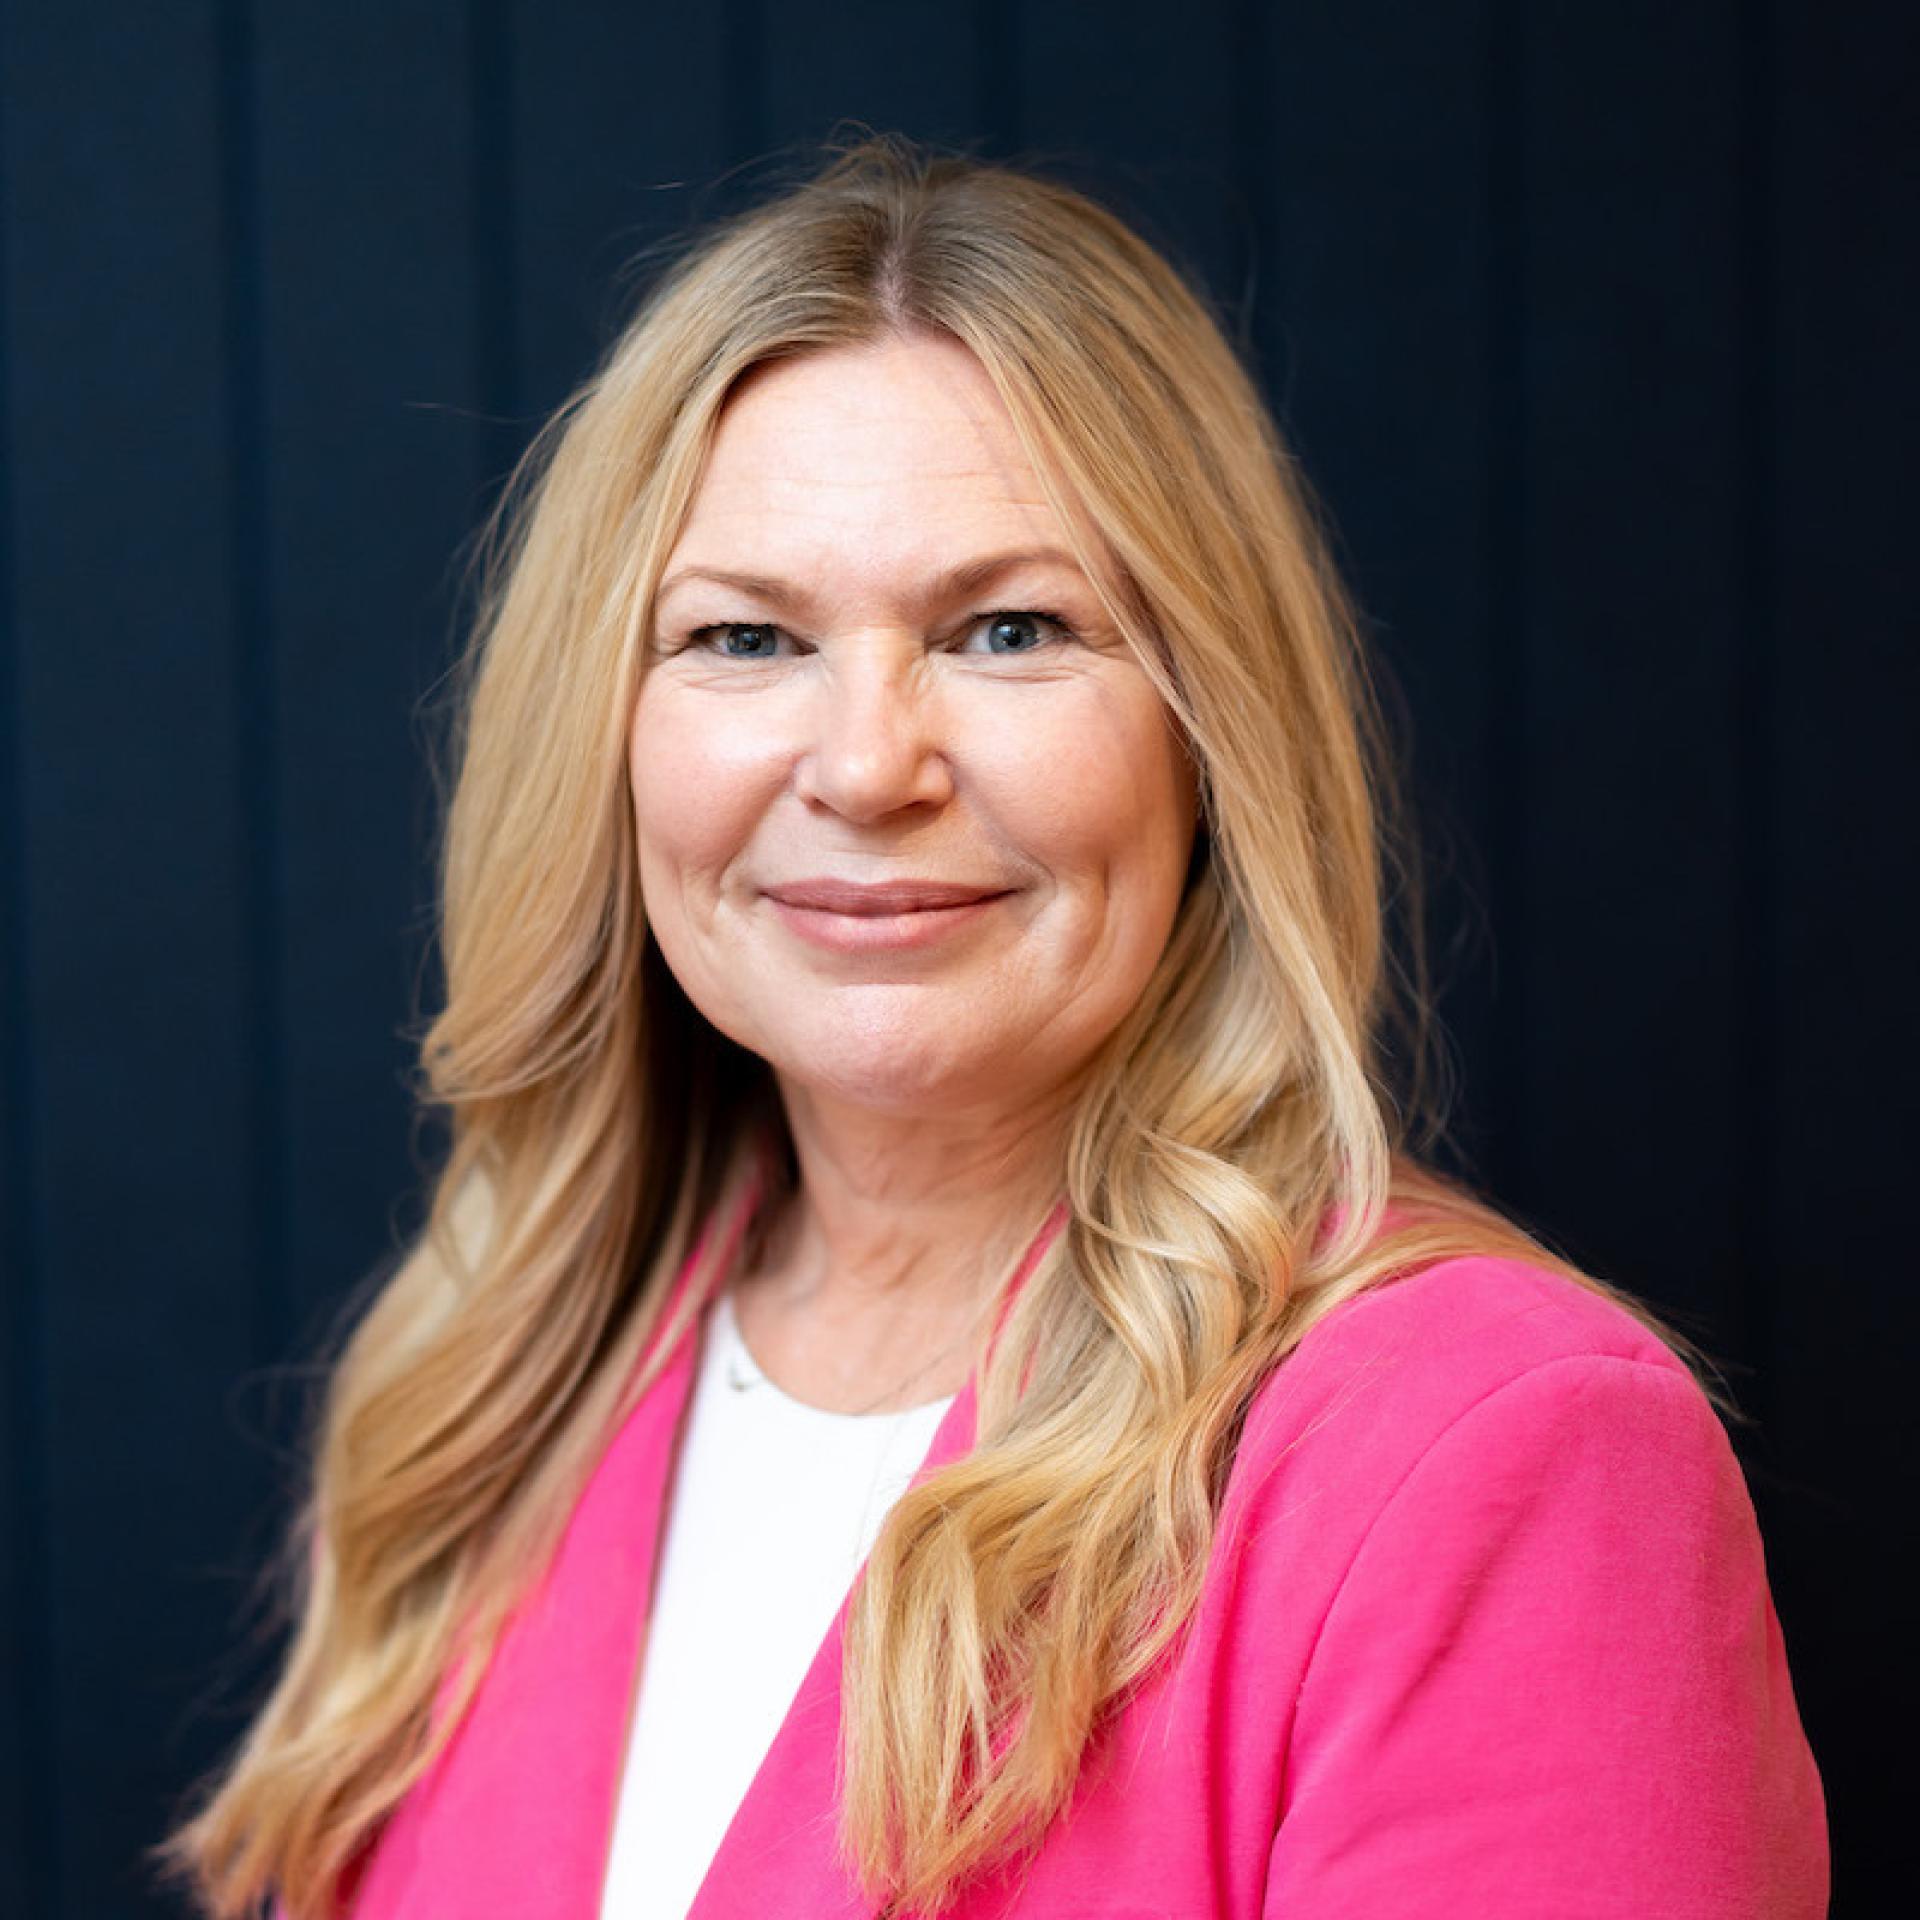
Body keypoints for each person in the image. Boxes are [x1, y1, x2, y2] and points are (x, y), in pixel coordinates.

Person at [158, 135, 1828, 1920]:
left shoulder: (1498, 1463)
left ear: (1209, 732)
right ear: (610, 736)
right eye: (743, 640)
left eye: (1011, 628)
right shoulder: (493, 1410)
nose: (869, 764)